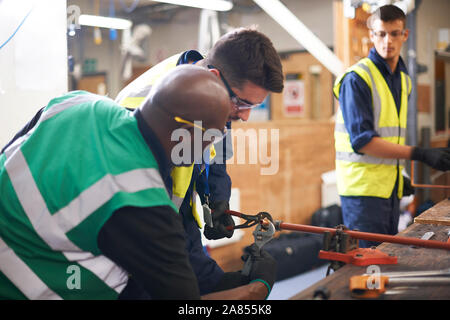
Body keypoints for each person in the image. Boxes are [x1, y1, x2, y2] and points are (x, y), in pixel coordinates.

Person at [0, 65, 275, 300]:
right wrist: (256, 290)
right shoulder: (142, 200)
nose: (210, 151)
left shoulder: (78, 103)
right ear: (188, 134)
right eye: (211, 139)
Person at [115, 27, 284, 296]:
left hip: (173, 219)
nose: (245, 116)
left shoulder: (212, 86)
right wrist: (252, 292)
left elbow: (217, 152)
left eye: (253, 106)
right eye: (242, 103)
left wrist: (217, 199)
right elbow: (157, 255)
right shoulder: (151, 112)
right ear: (215, 78)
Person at [333, 4, 450, 248]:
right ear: (372, 36)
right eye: (381, 34)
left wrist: (400, 174)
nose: (388, 41)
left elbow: (391, 136)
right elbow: (363, 142)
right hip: (362, 192)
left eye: (394, 33)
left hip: (389, 188)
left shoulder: (403, 80)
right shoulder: (357, 79)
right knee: (368, 263)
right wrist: (419, 153)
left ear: (404, 35)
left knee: (385, 257)